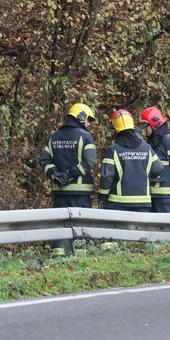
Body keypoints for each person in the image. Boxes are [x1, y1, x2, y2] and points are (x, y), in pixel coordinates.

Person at [40, 103, 98, 256]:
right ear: (80, 116)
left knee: (60, 224)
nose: (88, 124)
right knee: (80, 224)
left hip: (59, 191)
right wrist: (70, 174)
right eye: (87, 120)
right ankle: (80, 256)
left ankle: (58, 254)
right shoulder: (85, 136)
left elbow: (44, 162)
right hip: (80, 191)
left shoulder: (54, 137)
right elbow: (89, 162)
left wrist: (55, 174)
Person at [99, 109, 163, 212]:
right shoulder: (147, 148)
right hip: (142, 203)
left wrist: (102, 197)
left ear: (116, 129)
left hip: (117, 203)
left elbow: (107, 177)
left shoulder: (113, 150)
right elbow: (158, 168)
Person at [137, 106, 170, 213]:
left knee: (166, 229)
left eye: (145, 126)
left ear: (153, 124)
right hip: (153, 194)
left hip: (166, 196)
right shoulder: (153, 142)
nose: (144, 130)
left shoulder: (167, 140)